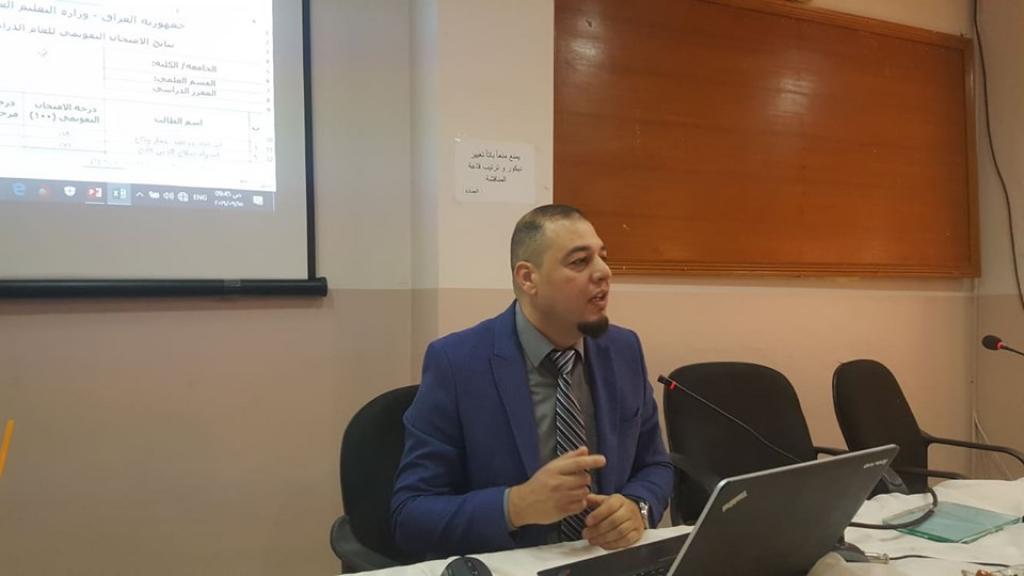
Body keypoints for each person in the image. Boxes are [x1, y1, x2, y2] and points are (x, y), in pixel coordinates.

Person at [391, 204, 672, 558]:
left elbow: (655, 465)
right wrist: (515, 506)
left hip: (606, 560)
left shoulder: (623, 349)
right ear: (528, 278)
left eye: (603, 257)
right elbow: (410, 514)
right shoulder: (457, 362)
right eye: (579, 261)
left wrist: (637, 506)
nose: (604, 272)